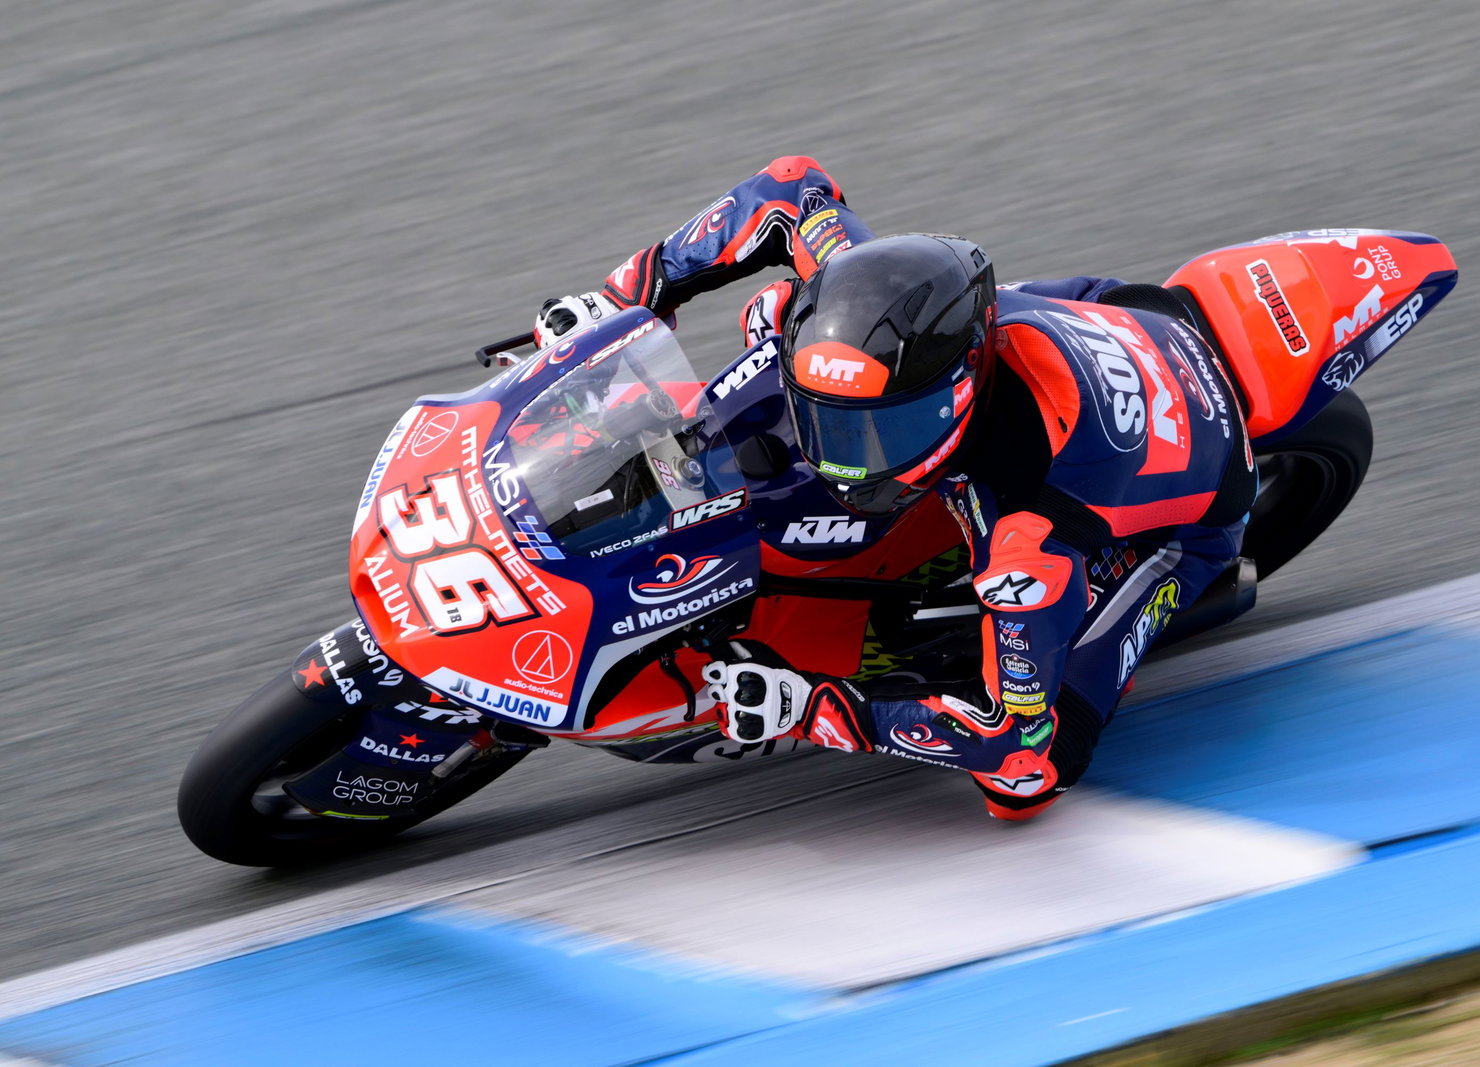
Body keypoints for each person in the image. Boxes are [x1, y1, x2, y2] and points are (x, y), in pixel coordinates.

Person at [532, 156, 1257, 821]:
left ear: (956, 400)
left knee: (1026, 781)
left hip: (1187, 511)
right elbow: (789, 187)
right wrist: (629, 296)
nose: (832, 454)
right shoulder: (857, 275)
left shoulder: (1025, 543)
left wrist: (813, 707)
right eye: (827, 423)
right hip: (1111, 312)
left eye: (865, 435)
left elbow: (1012, 743)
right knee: (773, 318)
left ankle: (1178, 584)